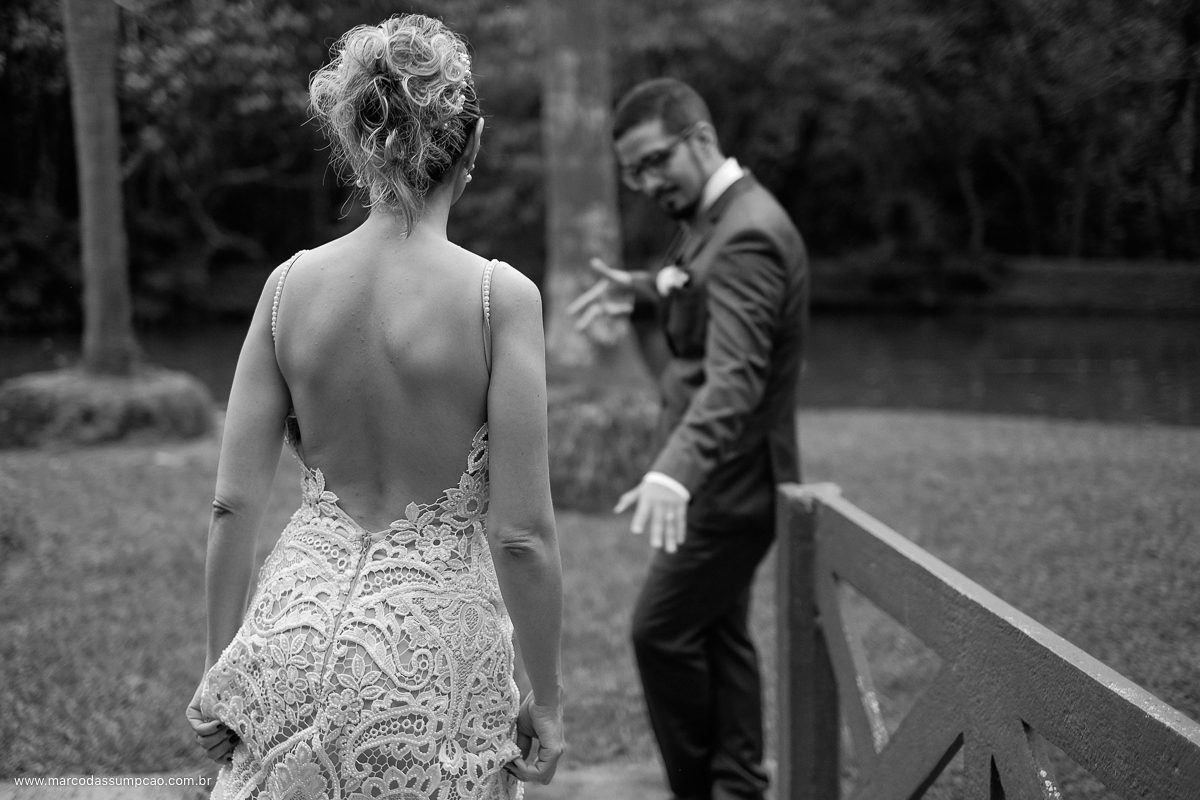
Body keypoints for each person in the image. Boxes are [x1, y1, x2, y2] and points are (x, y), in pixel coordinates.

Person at [184, 15, 564, 800]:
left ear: (357, 143)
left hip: (288, 637)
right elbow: (521, 535)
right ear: (474, 143)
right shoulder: (501, 299)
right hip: (427, 661)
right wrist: (548, 701)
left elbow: (231, 504)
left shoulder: (288, 286)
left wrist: (223, 671)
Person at [572, 78, 808, 800]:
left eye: (653, 162)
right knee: (717, 632)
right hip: (722, 476)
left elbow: (735, 377)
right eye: (632, 172)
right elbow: (694, 280)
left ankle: (702, 791)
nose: (645, 183)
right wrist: (644, 287)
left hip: (728, 482)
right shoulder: (720, 214)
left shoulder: (749, 236)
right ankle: (736, 785)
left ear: (700, 139)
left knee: (660, 631)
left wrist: (675, 472)